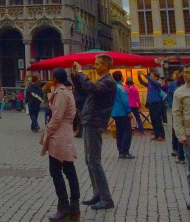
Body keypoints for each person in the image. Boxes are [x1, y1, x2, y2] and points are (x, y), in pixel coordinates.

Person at [71, 55, 116, 211]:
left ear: (105, 66)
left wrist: (81, 72)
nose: (95, 66)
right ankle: (98, 193)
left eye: (97, 64)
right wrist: (75, 77)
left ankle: (106, 198)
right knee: (89, 160)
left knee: (95, 161)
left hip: (95, 122)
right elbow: (84, 91)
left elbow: (91, 89)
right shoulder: (101, 81)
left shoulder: (108, 82)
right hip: (89, 121)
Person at [40, 68, 80, 222]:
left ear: (55, 78)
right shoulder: (65, 91)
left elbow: (57, 116)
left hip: (59, 135)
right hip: (64, 132)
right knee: (69, 169)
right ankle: (74, 205)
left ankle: (63, 206)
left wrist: (48, 132)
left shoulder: (62, 93)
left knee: (56, 170)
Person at [172, 63, 190, 209]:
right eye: (184, 72)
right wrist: (181, 135)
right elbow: (176, 114)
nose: (184, 75)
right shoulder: (179, 92)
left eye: (187, 72)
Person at [111, 71, 134, 159]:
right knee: (127, 132)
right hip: (123, 113)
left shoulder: (113, 87)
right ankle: (125, 151)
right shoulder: (121, 88)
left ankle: (120, 150)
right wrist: (129, 111)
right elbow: (125, 101)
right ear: (121, 77)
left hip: (115, 113)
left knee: (119, 132)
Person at [138, 70, 165, 141]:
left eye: (152, 76)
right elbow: (142, 82)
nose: (150, 78)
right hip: (151, 104)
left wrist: (145, 75)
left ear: (156, 77)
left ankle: (161, 135)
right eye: (150, 76)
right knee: (153, 120)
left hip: (156, 103)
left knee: (158, 120)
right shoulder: (149, 84)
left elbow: (151, 81)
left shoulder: (158, 83)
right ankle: (156, 134)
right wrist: (139, 76)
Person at [169, 70, 186, 164]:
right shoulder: (174, 85)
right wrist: (173, 107)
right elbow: (170, 96)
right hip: (178, 113)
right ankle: (179, 152)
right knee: (177, 131)